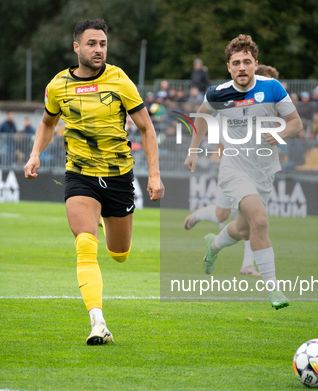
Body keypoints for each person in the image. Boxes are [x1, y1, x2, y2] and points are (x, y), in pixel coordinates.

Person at [24, 19, 163, 345]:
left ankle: (105, 216)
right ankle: (98, 322)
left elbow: (147, 128)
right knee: (85, 244)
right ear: (76, 47)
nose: (98, 49)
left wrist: (153, 174)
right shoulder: (58, 86)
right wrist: (34, 154)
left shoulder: (119, 80)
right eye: (91, 43)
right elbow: (47, 123)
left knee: (119, 254)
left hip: (118, 177)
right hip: (80, 175)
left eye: (102, 43)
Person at [184, 34, 303, 309]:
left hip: (264, 171)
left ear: (255, 64)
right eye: (236, 62)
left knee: (245, 230)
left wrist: (282, 132)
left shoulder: (272, 88)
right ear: (229, 67)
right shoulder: (217, 93)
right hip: (234, 170)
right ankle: (274, 291)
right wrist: (192, 151)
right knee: (260, 222)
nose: (241, 67)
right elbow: (201, 119)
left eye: (246, 62)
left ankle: (214, 245)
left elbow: (295, 123)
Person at [183, 63, 283, 278]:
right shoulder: (231, 101)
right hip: (233, 167)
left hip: (257, 171)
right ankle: (199, 215)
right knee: (225, 214)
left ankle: (247, 265)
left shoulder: (270, 104)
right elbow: (215, 130)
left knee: (249, 221)